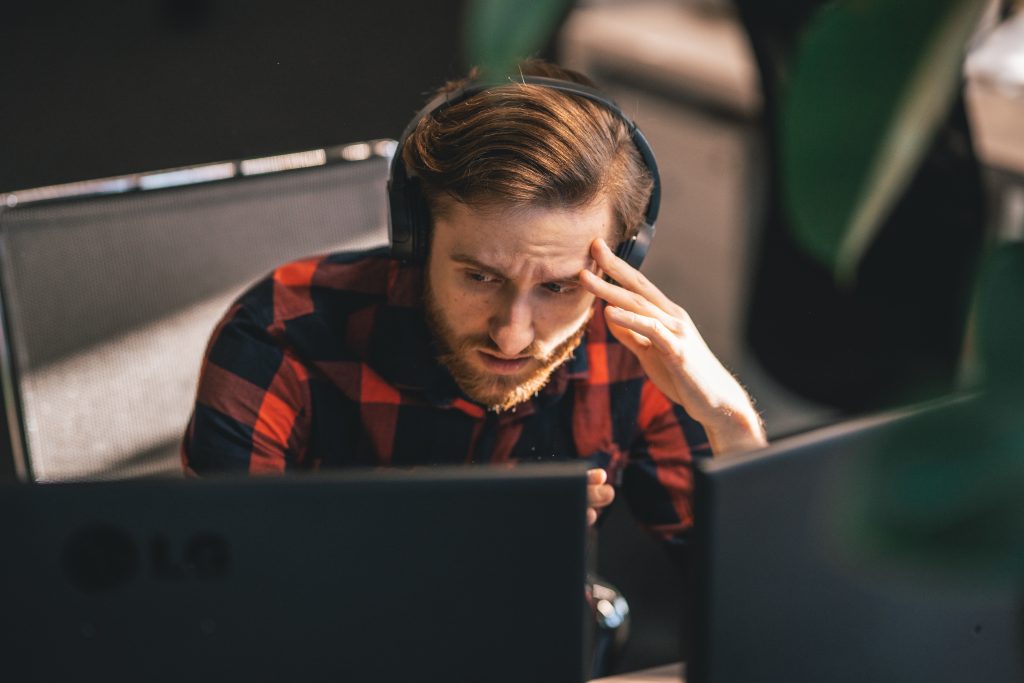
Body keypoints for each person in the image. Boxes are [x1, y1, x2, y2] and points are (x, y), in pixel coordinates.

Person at [182, 59, 766, 544]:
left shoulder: (633, 350)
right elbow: (224, 605)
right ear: (414, 240)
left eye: (559, 287)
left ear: (623, 258)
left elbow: (760, 609)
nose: (511, 336)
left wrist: (730, 423)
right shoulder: (281, 330)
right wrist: (429, 525)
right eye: (480, 278)